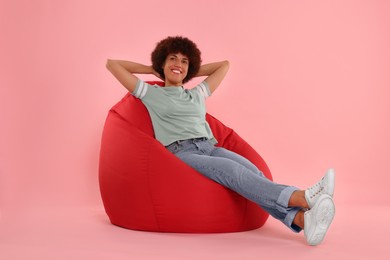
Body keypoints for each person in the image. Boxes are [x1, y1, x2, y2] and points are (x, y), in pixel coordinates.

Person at [106, 36, 335, 246]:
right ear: (162, 63)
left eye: (185, 61)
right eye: (172, 59)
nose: (178, 63)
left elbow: (223, 65)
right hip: (183, 153)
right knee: (234, 172)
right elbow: (112, 64)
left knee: (253, 171)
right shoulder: (151, 94)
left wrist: (188, 71)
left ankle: (303, 220)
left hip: (209, 147)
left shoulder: (196, 94)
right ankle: (303, 196)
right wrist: (153, 70)